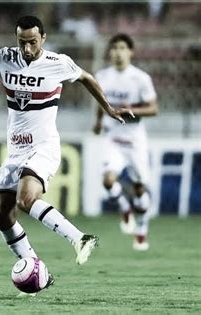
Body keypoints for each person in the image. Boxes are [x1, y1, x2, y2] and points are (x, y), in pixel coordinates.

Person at [0, 16, 133, 284]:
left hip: (44, 146)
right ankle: (36, 268)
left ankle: (80, 238)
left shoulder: (58, 63)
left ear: (43, 39)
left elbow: (87, 78)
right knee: (2, 214)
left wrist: (109, 109)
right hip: (16, 151)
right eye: (22, 42)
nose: (26, 49)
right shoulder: (4, 57)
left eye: (32, 42)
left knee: (26, 199)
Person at [93, 34, 158, 251]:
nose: (118, 52)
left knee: (139, 188)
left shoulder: (140, 78)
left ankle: (141, 229)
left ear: (131, 51)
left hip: (135, 140)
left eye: (122, 48)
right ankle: (124, 208)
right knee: (108, 180)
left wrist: (133, 110)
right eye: (114, 48)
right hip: (113, 137)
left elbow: (153, 108)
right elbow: (100, 102)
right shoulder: (102, 76)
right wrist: (98, 121)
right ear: (109, 52)